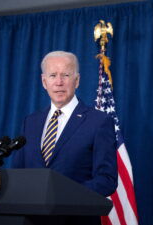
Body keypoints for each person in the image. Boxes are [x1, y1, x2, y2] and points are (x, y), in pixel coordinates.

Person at [12, 51, 118, 199]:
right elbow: (18, 173)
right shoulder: (30, 122)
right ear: (44, 82)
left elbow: (107, 180)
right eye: (53, 75)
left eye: (66, 75)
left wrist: (64, 194)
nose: (59, 82)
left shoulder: (99, 122)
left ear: (77, 80)